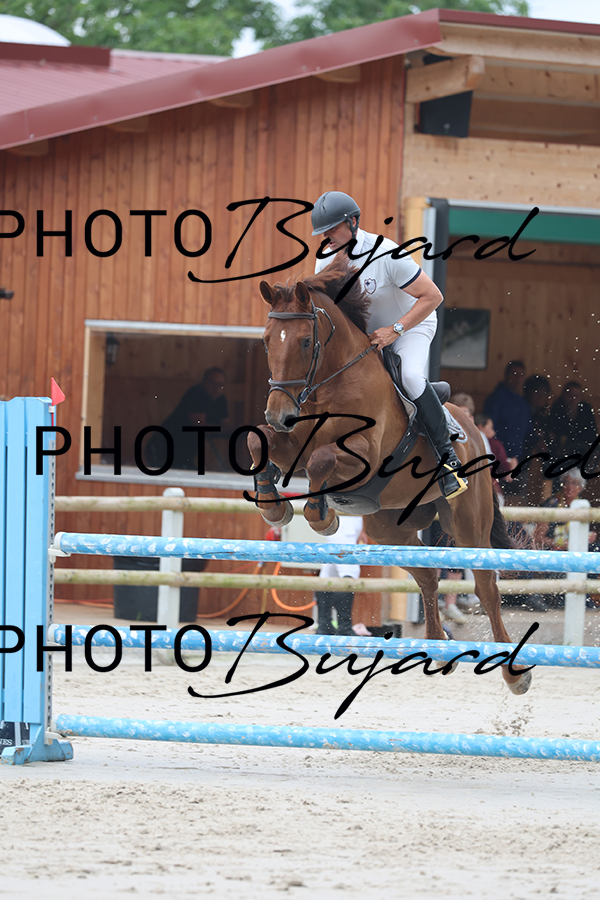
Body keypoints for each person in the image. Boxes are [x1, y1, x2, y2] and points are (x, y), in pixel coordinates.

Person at [311, 191, 466, 499]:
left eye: (331, 229)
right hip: (368, 336)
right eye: (323, 231)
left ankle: (448, 460)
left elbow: (433, 296)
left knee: (409, 376)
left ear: (353, 223)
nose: (326, 236)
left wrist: (395, 330)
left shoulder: (386, 253)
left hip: (411, 326)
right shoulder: (325, 259)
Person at [146, 367, 229, 470]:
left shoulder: (220, 399)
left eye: (220, 385)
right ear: (204, 382)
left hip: (184, 453)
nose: (216, 388)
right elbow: (198, 424)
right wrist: (224, 428)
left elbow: (226, 425)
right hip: (164, 447)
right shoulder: (197, 394)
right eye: (212, 383)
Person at [315, 515, 365, 635]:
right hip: (345, 524)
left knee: (329, 572)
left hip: (343, 523)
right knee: (349, 571)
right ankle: (344, 626)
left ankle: (324, 624)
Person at [483, 360, 531, 459]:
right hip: (498, 456)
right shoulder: (495, 399)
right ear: (506, 375)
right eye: (514, 374)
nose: (518, 378)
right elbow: (489, 429)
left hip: (518, 458)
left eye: (521, 375)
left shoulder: (523, 403)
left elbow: (528, 429)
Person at [548, 381, 598, 460]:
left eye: (576, 396)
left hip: (582, 451)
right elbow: (551, 431)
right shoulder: (557, 409)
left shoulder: (585, 410)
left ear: (581, 397)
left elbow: (591, 434)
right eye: (570, 395)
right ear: (563, 395)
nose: (573, 399)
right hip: (559, 453)